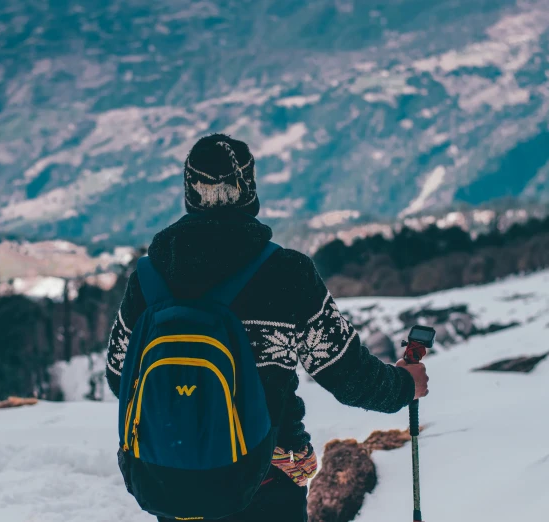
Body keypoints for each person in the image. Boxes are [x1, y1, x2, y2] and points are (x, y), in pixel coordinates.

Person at [106, 134, 429, 522]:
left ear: (188, 190)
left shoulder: (149, 277)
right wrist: (405, 384)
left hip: (173, 480)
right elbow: (347, 375)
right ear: (249, 189)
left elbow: (118, 376)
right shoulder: (287, 273)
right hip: (265, 478)